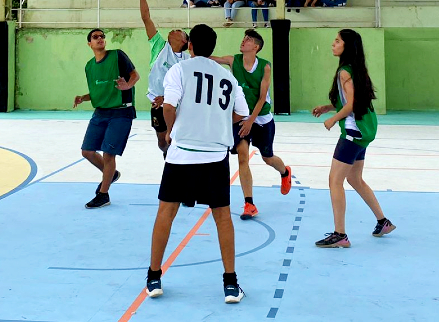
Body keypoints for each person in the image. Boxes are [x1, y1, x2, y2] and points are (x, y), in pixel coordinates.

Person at [145, 24, 249, 304]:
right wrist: (215, 123)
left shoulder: (178, 70)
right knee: (223, 218)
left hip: (181, 154)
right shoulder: (227, 77)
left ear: (190, 46)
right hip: (215, 156)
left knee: (166, 213)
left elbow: (168, 106)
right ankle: (230, 283)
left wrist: (169, 130)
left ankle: (154, 277)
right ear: (213, 48)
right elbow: (242, 112)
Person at [312, 29, 395, 248]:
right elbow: (350, 100)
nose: (333, 44)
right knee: (355, 179)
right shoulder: (355, 70)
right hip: (364, 133)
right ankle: (383, 221)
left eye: (337, 41)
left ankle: (340, 235)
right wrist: (328, 106)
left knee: (335, 181)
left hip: (353, 133)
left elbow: (350, 105)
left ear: (346, 47)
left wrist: (332, 119)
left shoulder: (345, 72)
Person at [212, 29, 293, 221]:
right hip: (241, 117)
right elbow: (213, 59)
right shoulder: (234, 61)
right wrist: (196, 51)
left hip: (261, 117)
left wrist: (251, 120)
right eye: (243, 38)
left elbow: (262, 98)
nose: (243, 41)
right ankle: (249, 203)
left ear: (255, 47)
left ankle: (285, 172)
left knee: (268, 158)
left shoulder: (265, 66)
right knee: (242, 158)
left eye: (248, 40)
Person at [73, 29, 140, 209]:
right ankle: (111, 174)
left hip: (120, 112)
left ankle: (103, 194)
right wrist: (83, 98)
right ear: (89, 44)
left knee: (108, 154)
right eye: (95, 37)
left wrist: (128, 85)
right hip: (101, 112)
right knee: (87, 151)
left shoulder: (117, 56)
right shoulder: (89, 66)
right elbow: (97, 91)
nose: (100, 38)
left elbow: (135, 75)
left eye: (102, 36)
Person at [139, 0, 190, 156]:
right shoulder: (160, 46)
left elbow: (187, 86)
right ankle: (168, 155)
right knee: (162, 142)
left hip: (177, 105)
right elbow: (146, 18)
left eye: (179, 31)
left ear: (184, 41)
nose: (173, 29)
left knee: (177, 137)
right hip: (156, 104)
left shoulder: (187, 59)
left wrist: (168, 97)